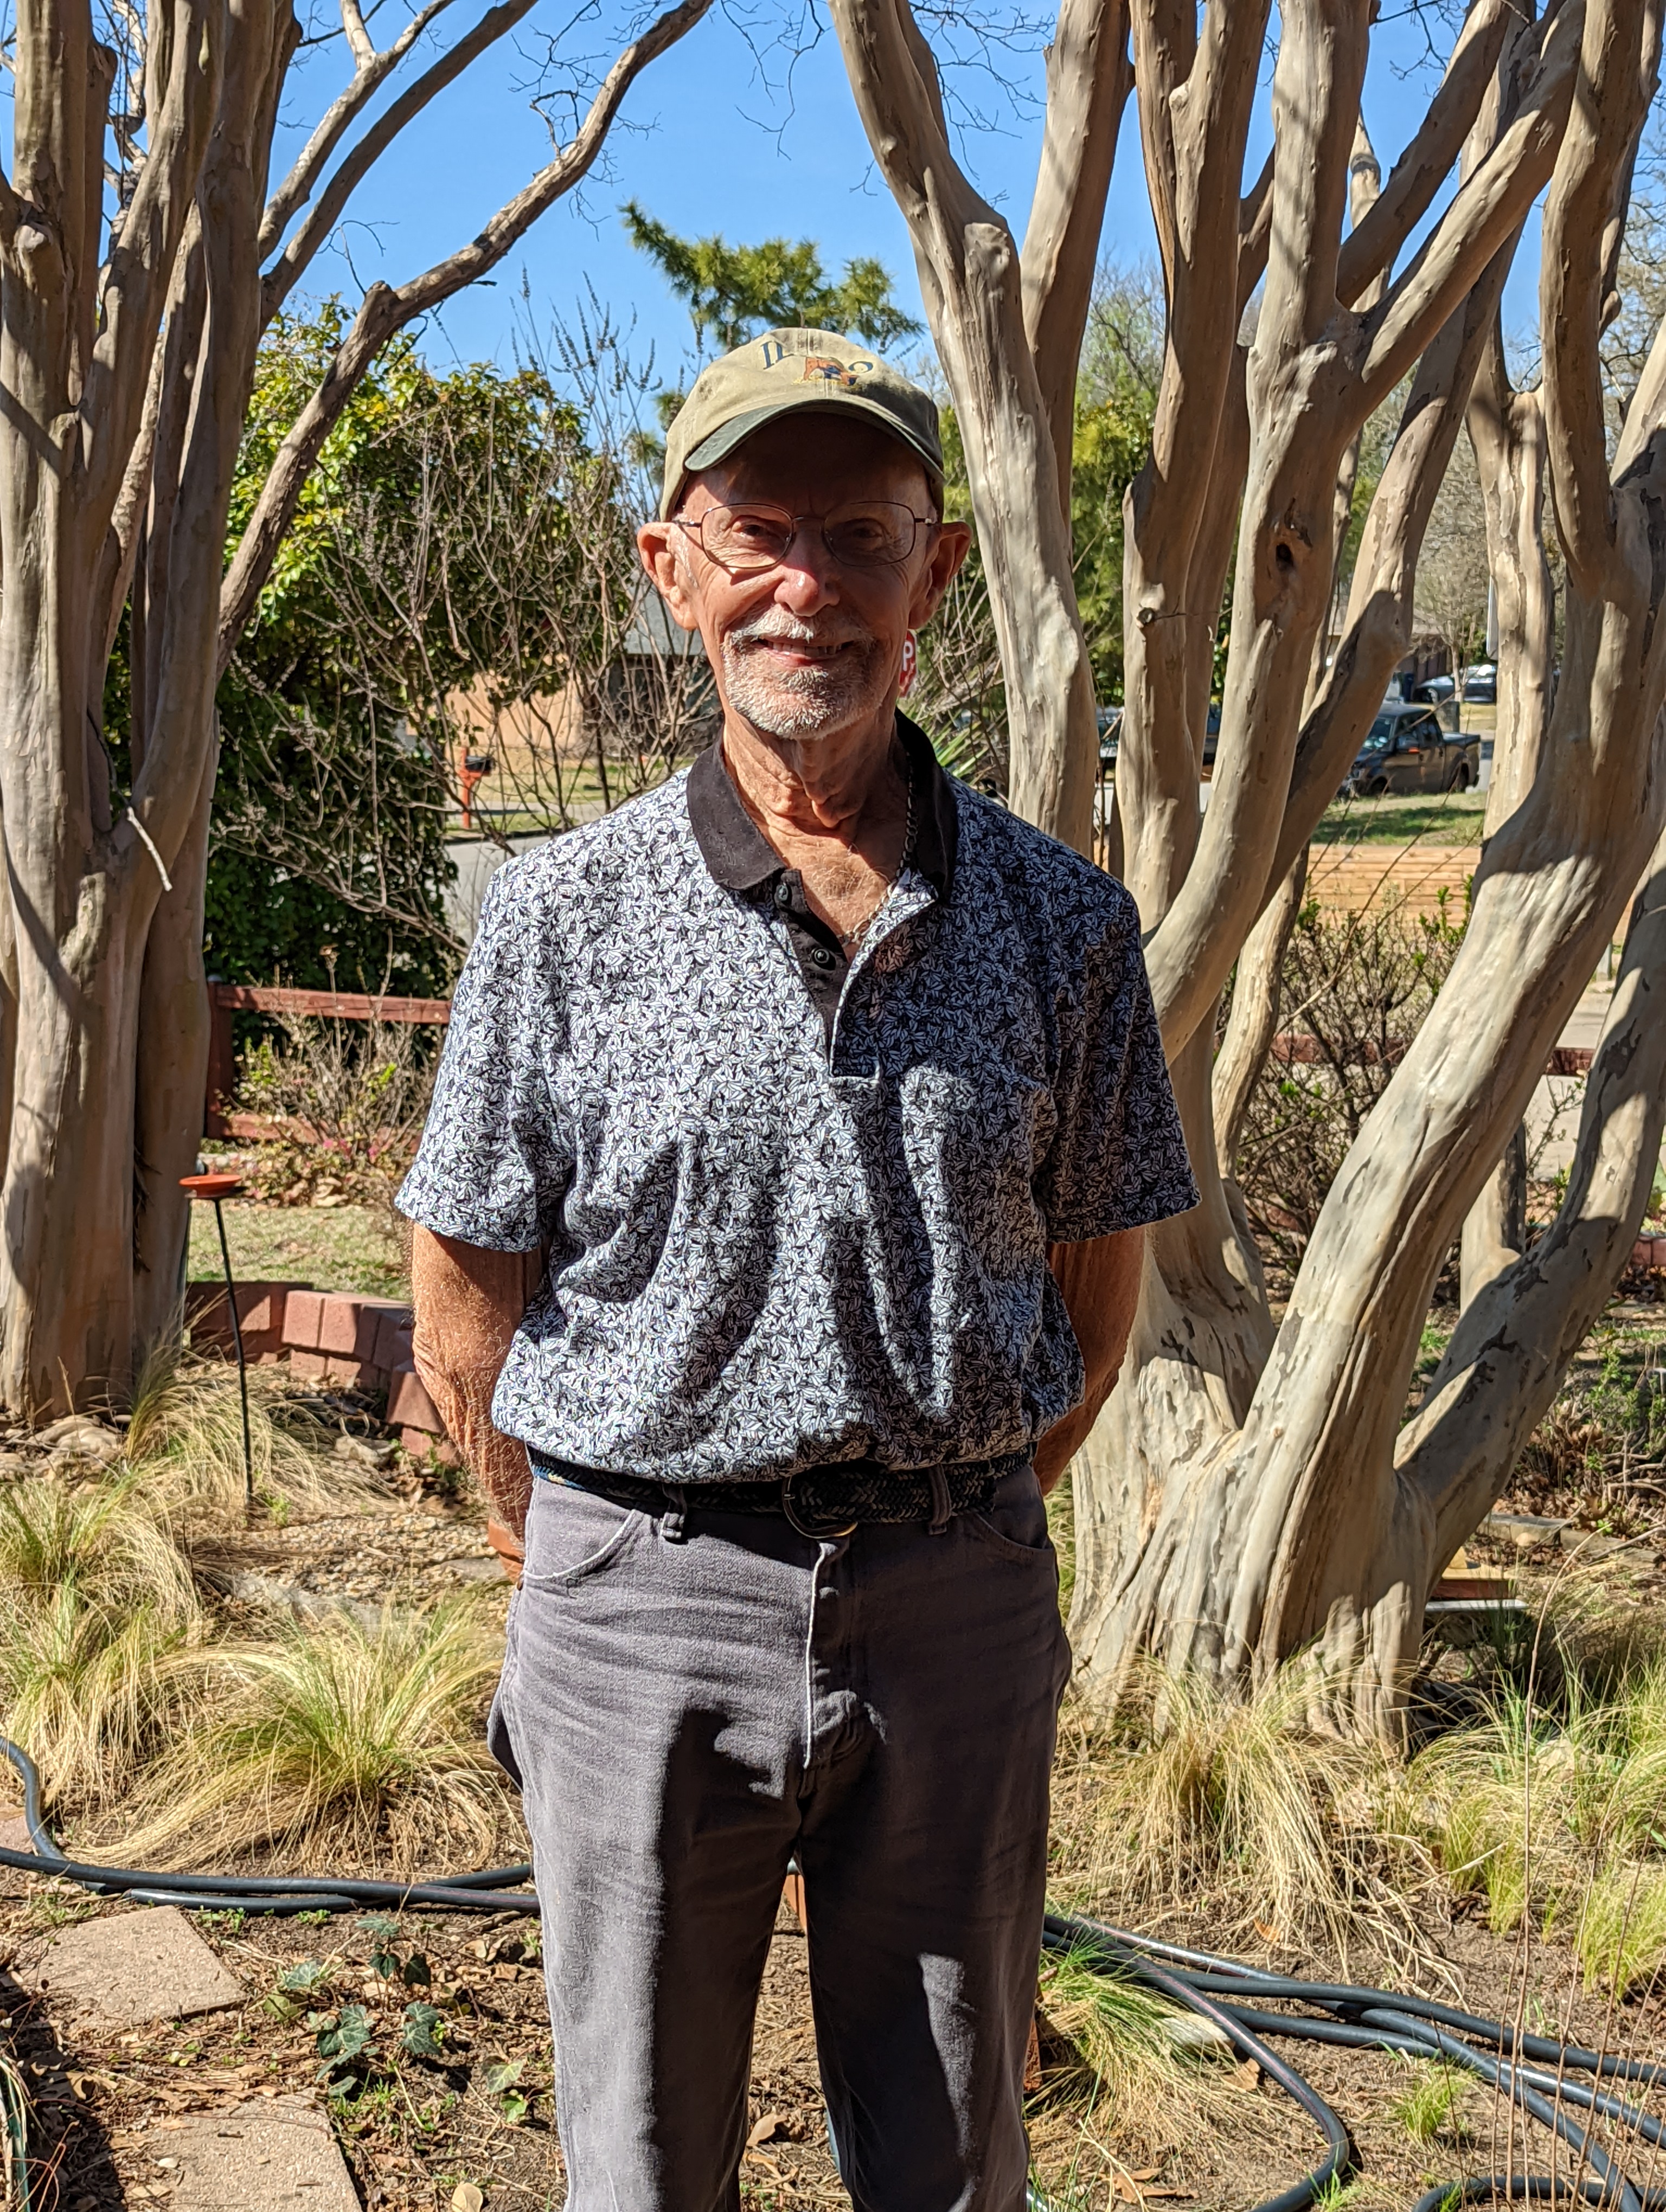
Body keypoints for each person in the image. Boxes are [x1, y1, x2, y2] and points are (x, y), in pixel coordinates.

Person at [400, 326, 1197, 2212]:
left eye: (860, 533)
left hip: (957, 1610)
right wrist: (573, 1548)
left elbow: (1098, 1286)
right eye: (757, 529)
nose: (806, 586)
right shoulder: (559, 920)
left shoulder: (1061, 924)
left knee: (953, 2155)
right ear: (671, 566)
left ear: (934, 572)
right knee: (643, 2165)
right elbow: (464, 1277)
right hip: (636, 1607)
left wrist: (962, 1514)